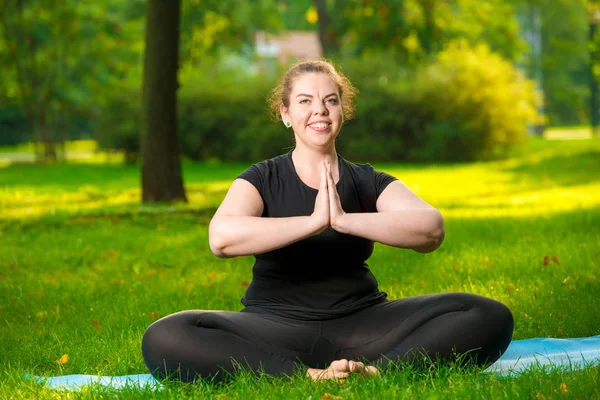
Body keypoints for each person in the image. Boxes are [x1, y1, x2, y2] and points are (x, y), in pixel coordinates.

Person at [141, 60, 514, 383]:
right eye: (305, 101)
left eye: (329, 100)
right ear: (286, 114)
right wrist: (313, 222)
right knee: (167, 335)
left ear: (341, 111)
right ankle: (306, 375)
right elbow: (221, 238)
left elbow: (430, 229)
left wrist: (345, 220)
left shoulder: (367, 180)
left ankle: (377, 371)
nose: (319, 110)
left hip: (363, 324)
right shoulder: (261, 178)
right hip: (274, 326)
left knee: (486, 314)